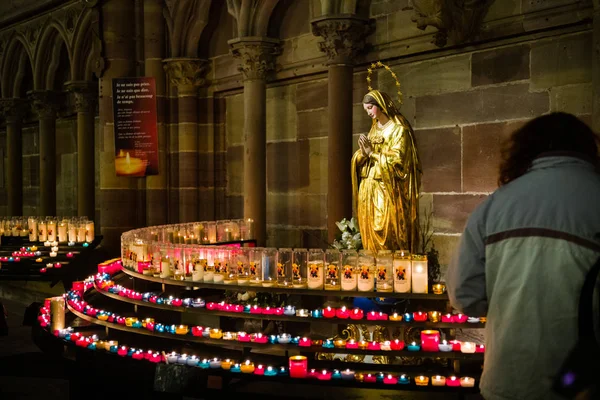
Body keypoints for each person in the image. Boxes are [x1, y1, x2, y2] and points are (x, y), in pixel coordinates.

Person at [446, 112, 600, 400]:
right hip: (580, 386)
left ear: (525, 150)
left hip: (507, 382)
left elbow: (464, 294)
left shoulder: (495, 206)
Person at [351, 89, 421, 253]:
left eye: (370, 108)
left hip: (386, 188)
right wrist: (361, 154)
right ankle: (373, 268)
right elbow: (364, 157)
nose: (368, 113)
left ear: (381, 105)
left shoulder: (399, 130)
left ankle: (389, 268)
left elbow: (399, 161)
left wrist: (372, 153)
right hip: (368, 187)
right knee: (368, 227)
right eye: (366, 109)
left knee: (383, 226)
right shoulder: (374, 129)